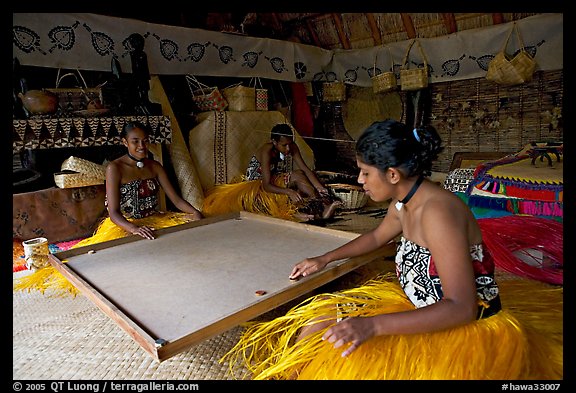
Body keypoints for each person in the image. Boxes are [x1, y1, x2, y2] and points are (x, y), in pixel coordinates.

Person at [221, 119, 563, 380]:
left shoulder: (438, 214)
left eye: (365, 173)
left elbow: (461, 308)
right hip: (419, 306)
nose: (359, 181)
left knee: (345, 355)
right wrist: (323, 258)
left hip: (455, 327)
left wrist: (372, 326)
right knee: (315, 324)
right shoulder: (404, 203)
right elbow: (375, 238)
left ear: (393, 174)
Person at [14, 121, 203, 296]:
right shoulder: (115, 168)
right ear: (124, 142)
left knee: (182, 247)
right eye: (135, 141)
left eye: (145, 141)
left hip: (155, 219)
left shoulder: (154, 166)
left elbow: (176, 200)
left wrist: (194, 212)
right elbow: (113, 213)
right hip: (126, 225)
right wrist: (134, 229)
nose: (141, 146)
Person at [202, 123, 341, 222]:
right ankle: (313, 212)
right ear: (274, 142)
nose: (288, 149)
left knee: (300, 173)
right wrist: (289, 192)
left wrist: (319, 188)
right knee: (295, 182)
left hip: (274, 179)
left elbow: (305, 169)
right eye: (284, 145)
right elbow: (266, 185)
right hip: (257, 186)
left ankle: (320, 205)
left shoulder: (291, 146)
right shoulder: (266, 151)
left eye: (289, 143)